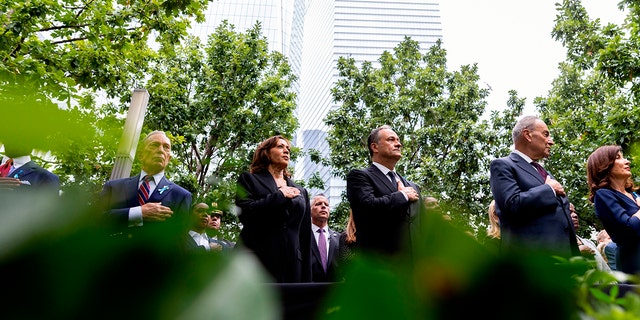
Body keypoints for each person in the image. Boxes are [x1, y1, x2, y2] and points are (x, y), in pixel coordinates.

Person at [489, 115, 578, 258]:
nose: (551, 141)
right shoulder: (503, 165)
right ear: (527, 135)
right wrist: (549, 190)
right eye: (546, 134)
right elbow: (512, 204)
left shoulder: (545, 173)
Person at [235, 135, 312, 283]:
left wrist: (307, 279)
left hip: (293, 266)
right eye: (280, 146)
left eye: (288, 148)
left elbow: (305, 235)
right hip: (257, 262)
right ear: (266, 152)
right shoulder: (249, 179)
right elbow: (245, 213)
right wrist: (280, 195)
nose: (286, 151)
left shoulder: (301, 191)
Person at [99, 131, 192, 246]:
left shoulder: (181, 196)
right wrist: (138, 213)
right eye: (154, 145)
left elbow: (179, 241)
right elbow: (97, 220)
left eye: (166, 147)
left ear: (169, 158)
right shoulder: (114, 187)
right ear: (140, 155)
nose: (161, 150)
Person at [346, 125, 422, 257]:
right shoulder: (360, 176)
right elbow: (367, 207)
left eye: (398, 140)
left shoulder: (412, 186)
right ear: (374, 147)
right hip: (380, 264)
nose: (398, 144)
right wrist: (402, 196)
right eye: (391, 140)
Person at [587, 145, 640, 274]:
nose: (627, 161)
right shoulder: (603, 195)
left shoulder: (633, 194)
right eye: (618, 158)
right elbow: (629, 229)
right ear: (604, 166)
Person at [570, 203, 611, 272]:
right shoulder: (553, 245)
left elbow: (606, 271)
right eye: (569, 212)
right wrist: (578, 253)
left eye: (575, 212)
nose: (575, 215)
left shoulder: (589, 243)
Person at [309, 194, 340, 282]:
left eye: (326, 205)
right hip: (308, 290)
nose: (323, 206)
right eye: (318, 204)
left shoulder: (339, 238)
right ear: (310, 210)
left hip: (334, 291)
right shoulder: (303, 237)